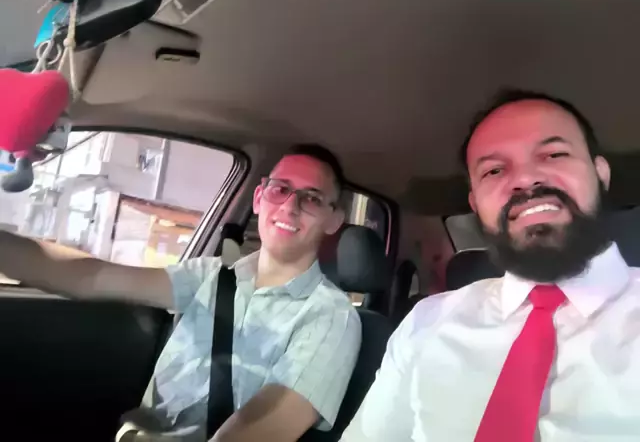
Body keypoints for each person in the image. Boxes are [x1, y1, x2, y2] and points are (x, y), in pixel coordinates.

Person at [0, 144, 362, 442]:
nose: (290, 206)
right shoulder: (211, 276)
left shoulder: (331, 315)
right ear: (258, 198)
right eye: (280, 189)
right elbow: (93, 277)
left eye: (312, 199)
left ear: (334, 220)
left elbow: (264, 427)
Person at [341, 89, 640, 441]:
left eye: (554, 154)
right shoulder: (426, 323)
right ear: (475, 204)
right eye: (494, 170)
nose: (525, 179)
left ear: (600, 173)